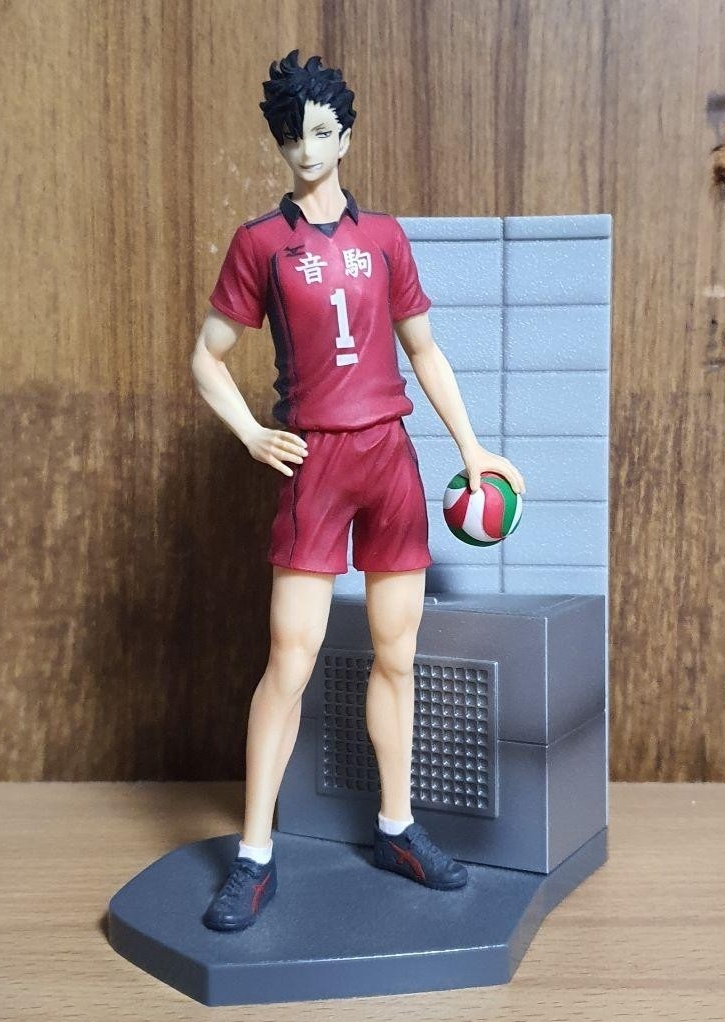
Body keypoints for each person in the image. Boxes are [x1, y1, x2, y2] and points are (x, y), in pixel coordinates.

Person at [191, 49, 526, 932]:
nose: (307, 150)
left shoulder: (384, 238)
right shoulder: (261, 244)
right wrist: (250, 432)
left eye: (321, 133)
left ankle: (396, 826)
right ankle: (254, 853)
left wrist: (473, 449)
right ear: (279, 143)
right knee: (290, 659)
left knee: (397, 655)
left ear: (345, 136)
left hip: (389, 460)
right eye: (291, 136)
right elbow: (207, 357)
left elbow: (424, 349)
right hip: (315, 463)